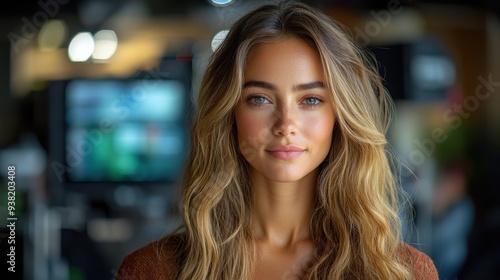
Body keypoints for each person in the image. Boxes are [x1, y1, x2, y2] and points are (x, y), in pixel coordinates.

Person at [116, 2, 439, 279]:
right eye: (260, 99)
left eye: (310, 100)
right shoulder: (154, 270)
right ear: (229, 113)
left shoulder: (400, 271)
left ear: (340, 117)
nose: (286, 125)